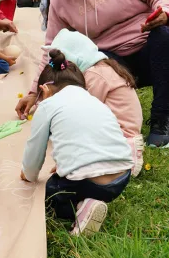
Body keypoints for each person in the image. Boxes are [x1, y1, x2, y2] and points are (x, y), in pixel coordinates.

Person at [16, 0, 169, 148]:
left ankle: (161, 118)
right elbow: (52, 48)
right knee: (85, 66)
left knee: (164, 36)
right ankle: (107, 122)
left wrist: (164, 13)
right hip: (111, 61)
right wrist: (35, 92)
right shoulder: (59, 0)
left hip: (149, 48)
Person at [21, 49, 132, 236]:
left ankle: (81, 207)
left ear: (44, 90)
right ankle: (92, 200)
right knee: (72, 178)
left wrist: (28, 173)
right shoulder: (95, 102)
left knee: (48, 195)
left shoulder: (48, 105)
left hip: (88, 183)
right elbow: (93, 138)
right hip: (121, 177)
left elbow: (35, 149)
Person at [50, 29, 143, 176]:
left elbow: (84, 116)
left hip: (121, 144)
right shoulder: (100, 69)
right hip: (120, 137)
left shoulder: (95, 75)